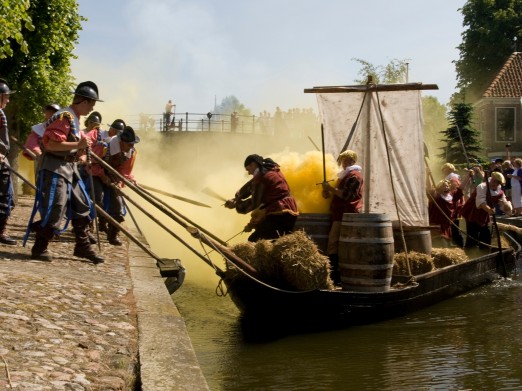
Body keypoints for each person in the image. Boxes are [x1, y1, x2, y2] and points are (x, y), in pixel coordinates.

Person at [28, 80, 104, 263]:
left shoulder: (75, 119)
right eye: (91, 104)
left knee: (82, 204)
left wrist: (82, 153)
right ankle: (39, 247)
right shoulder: (65, 117)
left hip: (70, 167)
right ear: (83, 102)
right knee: (56, 207)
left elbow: (78, 145)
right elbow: (50, 143)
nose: (92, 108)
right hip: (55, 167)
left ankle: (82, 246)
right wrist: (78, 145)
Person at [225, 154, 299, 242]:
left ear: (253, 164)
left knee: (253, 241)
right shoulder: (272, 171)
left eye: (248, 169)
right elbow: (251, 187)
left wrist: (237, 205)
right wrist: (237, 198)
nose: (249, 173)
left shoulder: (261, 178)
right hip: (290, 213)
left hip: (278, 214)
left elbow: (254, 203)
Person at [321, 150, 363, 284]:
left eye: (348, 160)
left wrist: (331, 189)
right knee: (335, 244)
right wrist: (327, 191)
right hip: (339, 213)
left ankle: (335, 277)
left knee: (334, 244)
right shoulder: (343, 176)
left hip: (346, 214)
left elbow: (347, 196)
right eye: (344, 160)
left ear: (353, 162)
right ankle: (335, 275)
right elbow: (335, 195)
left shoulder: (354, 176)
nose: (345, 162)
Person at [99, 125, 140, 245]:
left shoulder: (131, 152)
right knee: (96, 198)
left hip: (113, 177)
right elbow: (92, 163)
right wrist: (102, 175)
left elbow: (125, 170)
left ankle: (113, 234)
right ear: (121, 142)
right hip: (96, 174)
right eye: (129, 144)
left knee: (117, 204)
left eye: (133, 144)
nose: (132, 147)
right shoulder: (104, 146)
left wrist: (127, 179)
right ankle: (92, 227)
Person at [460, 171, 512, 249]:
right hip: (472, 212)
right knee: (472, 235)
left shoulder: (499, 189)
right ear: (491, 179)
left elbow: (503, 201)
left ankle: (484, 251)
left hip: (484, 213)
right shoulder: (482, 187)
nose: (494, 183)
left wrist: (507, 207)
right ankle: (470, 252)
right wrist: (490, 210)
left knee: (485, 235)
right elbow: (481, 203)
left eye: (496, 182)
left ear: (499, 183)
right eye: (493, 180)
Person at [0, 79, 18, 245]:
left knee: (7, 198)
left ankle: (0, 231)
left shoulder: (1, 114)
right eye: (6, 97)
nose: (8, 100)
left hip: (1, 161)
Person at [428, 178, 468, 247]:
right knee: (440, 245)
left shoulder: (451, 196)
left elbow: (460, 189)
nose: (446, 187)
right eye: (444, 186)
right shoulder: (436, 196)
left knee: (446, 245)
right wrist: (427, 175)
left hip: (447, 226)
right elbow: (429, 189)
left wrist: (468, 177)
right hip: (437, 227)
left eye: (447, 186)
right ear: (439, 188)